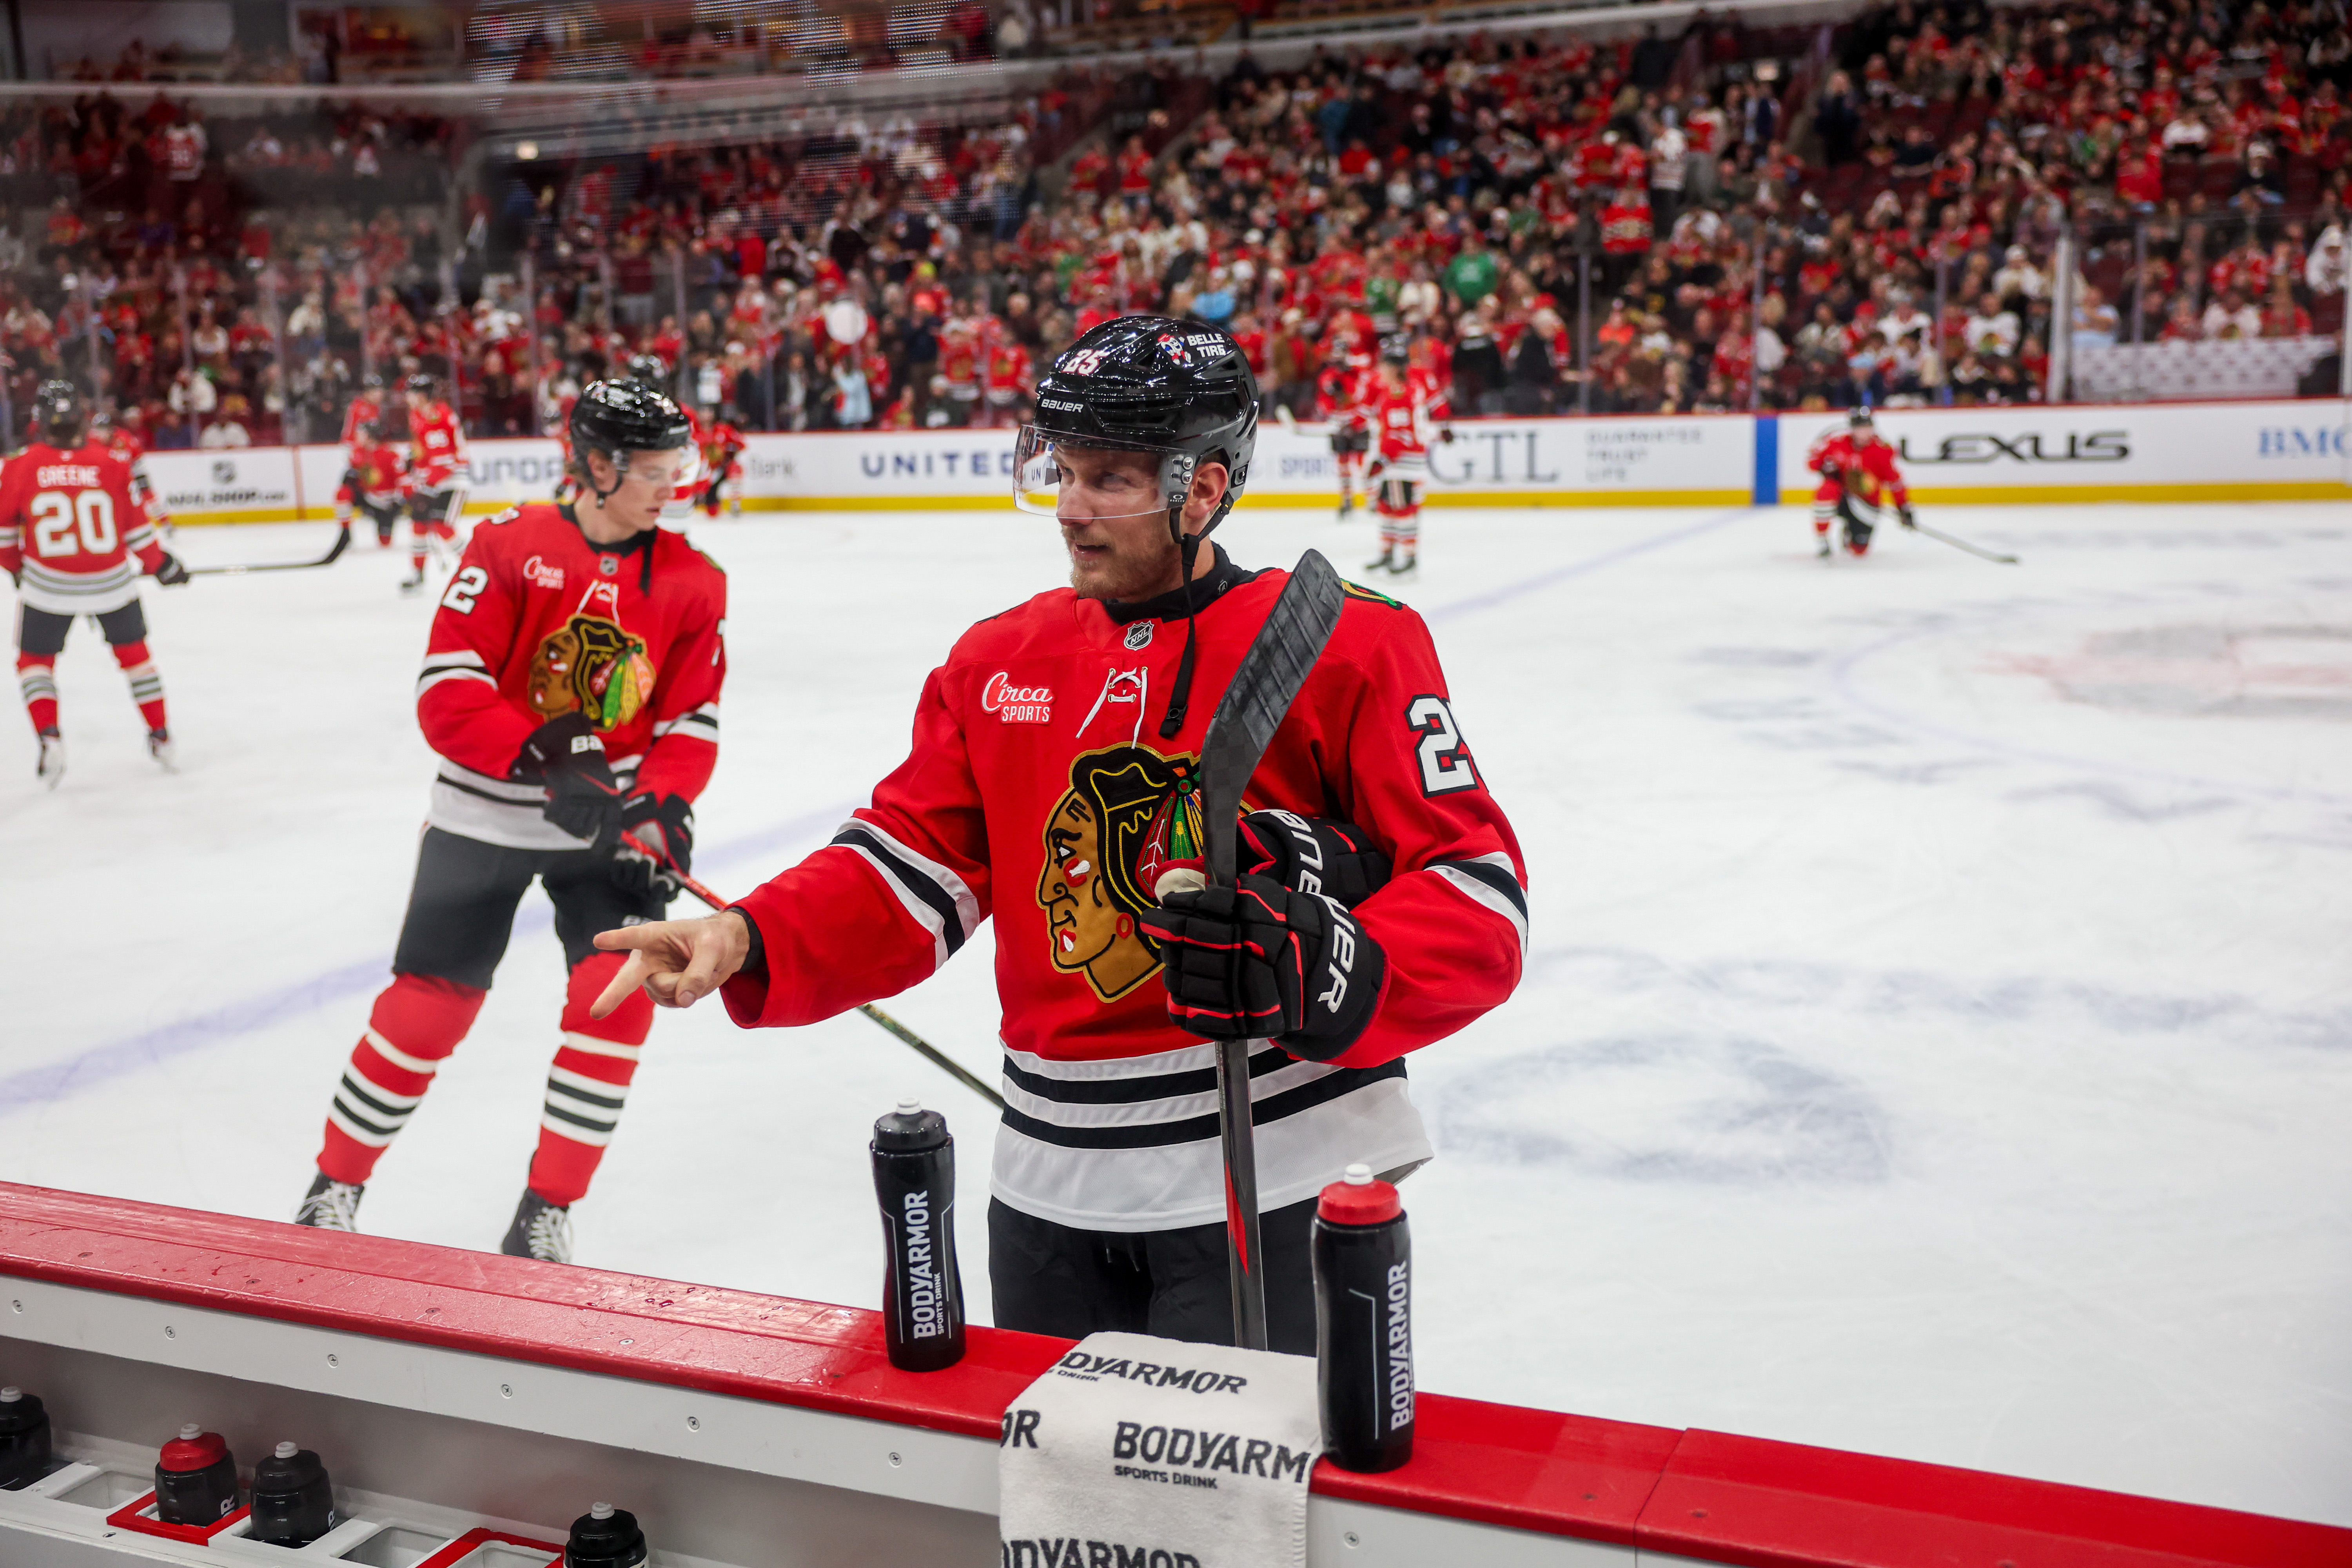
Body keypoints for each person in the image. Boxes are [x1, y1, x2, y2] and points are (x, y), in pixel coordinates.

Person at [589, 318, 1527, 1352]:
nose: (1071, 510)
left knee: (1233, 1511)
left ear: (1205, 487)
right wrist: (752, 936)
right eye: (1061, 472)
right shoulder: (998, 660)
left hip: (1270, 1170)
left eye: (1110, 480)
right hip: (1046, 1188)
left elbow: (1478, 894)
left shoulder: (1351, 643)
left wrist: (1338, 967)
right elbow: (909, 869)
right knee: (1058, 1504)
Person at [292, 381, 727, 1261]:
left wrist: (666, 809)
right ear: (597, 466)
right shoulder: (507, 544)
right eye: (652, 468)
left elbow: (692, 721)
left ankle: (545, 1210)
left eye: (677, 466)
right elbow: (446, 691)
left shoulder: (693, 578)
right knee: (429, 1006)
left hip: (606, 829)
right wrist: (553, 758)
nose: (671, 485)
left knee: (614, 999)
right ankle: (333, 1185)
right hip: (483, 816)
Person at [0, 381, 189, 786]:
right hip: (112, 583)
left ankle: (49, 736)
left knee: (34, 663)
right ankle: (161, 736)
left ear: (39, 420)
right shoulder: (112, 462)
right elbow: (138, 533)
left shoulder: (19, 465)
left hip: (48, 585)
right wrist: (164, 566)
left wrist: (18, 570)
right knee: (135, 656)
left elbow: (4, 537)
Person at [1363, 337, 1453, 576]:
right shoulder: (1403, 391)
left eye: (1383, 365)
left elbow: (1400, 434)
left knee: (1402, 509)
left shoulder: (1398, 394)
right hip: (1400, 462)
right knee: (1387, 507)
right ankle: (1388, 553)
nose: (1379, 369)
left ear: (1393, 368)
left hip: (1400, 464)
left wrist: (1383, 459)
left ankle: (1409, 558)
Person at [1806, 407, 1914, 559]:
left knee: (1859, 551)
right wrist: (1825, 469)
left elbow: (1895, 482)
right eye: (1860, 428)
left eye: (1867, 427)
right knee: (1827, 490)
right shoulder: (1837, 443)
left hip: (1866, 502)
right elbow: (1812, 462)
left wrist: (1904, 508)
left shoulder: (1882, 451)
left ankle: (1849, 533)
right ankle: (1822, 539)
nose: (1864, 432)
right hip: (1842, 497)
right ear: (1852, 429)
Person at [403, 373, 468, 596]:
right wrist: (413, 461)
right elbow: (424, 453)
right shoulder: (417, 415)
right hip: (433, 479)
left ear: (423, 396)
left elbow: (445, 462)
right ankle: (417, 574)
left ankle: (475, 566)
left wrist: (426, 486)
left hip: (452, 479)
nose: (407, 397)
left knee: (441, 524)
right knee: (419, 524)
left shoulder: (437, 416)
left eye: (411, 393)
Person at [336, 417, 411, 548]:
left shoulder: (390, 455)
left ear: (370, 436)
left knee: (385, 543)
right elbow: (354, 480)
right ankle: (345, 533)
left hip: (388, 505)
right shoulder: (358, 453)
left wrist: (411, 500)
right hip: (370, 500)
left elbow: (403, 480)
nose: (358, 436)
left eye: (361, 433)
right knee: (343, 493)